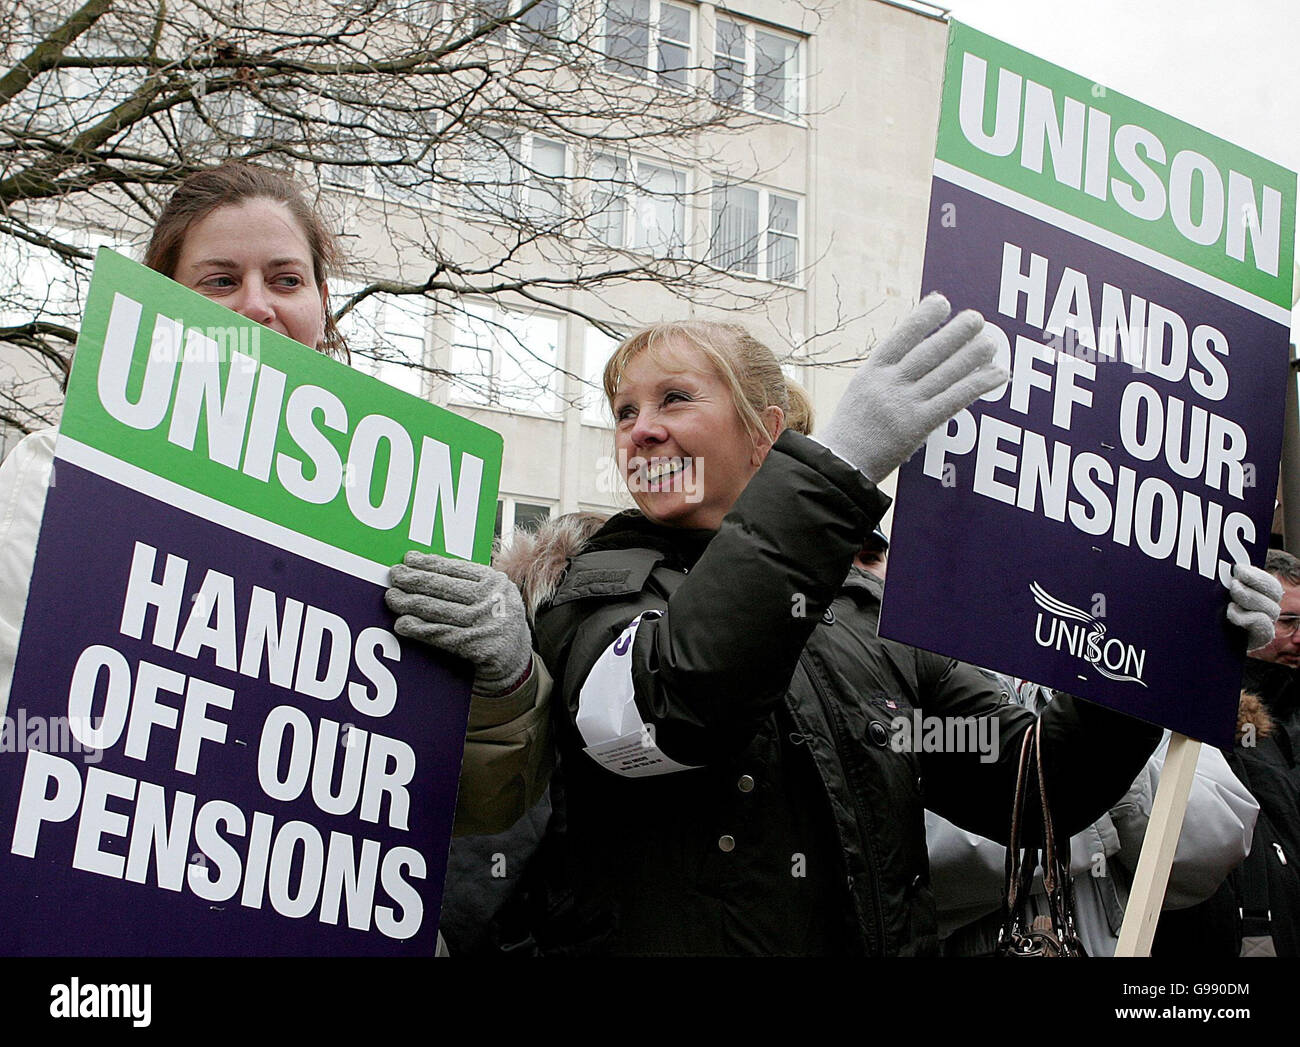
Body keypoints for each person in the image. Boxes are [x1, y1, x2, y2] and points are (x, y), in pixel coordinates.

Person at [526, 303, 1280, 956]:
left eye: (675, 399)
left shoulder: (870, 617)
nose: (642, 431)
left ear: (765, 431)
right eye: (624, 411)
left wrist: (1164, 641)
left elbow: (1034, 781)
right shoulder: (594, 590)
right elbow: (678, 702)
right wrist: (836, 471)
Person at [0, 161, 549, 837]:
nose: (258, 306)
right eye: (221, 280)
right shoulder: (61, 472)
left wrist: (505, 685)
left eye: (286, 279)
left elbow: (471, 807)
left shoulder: (401, 504)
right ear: (160, 297)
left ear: (322, 305)